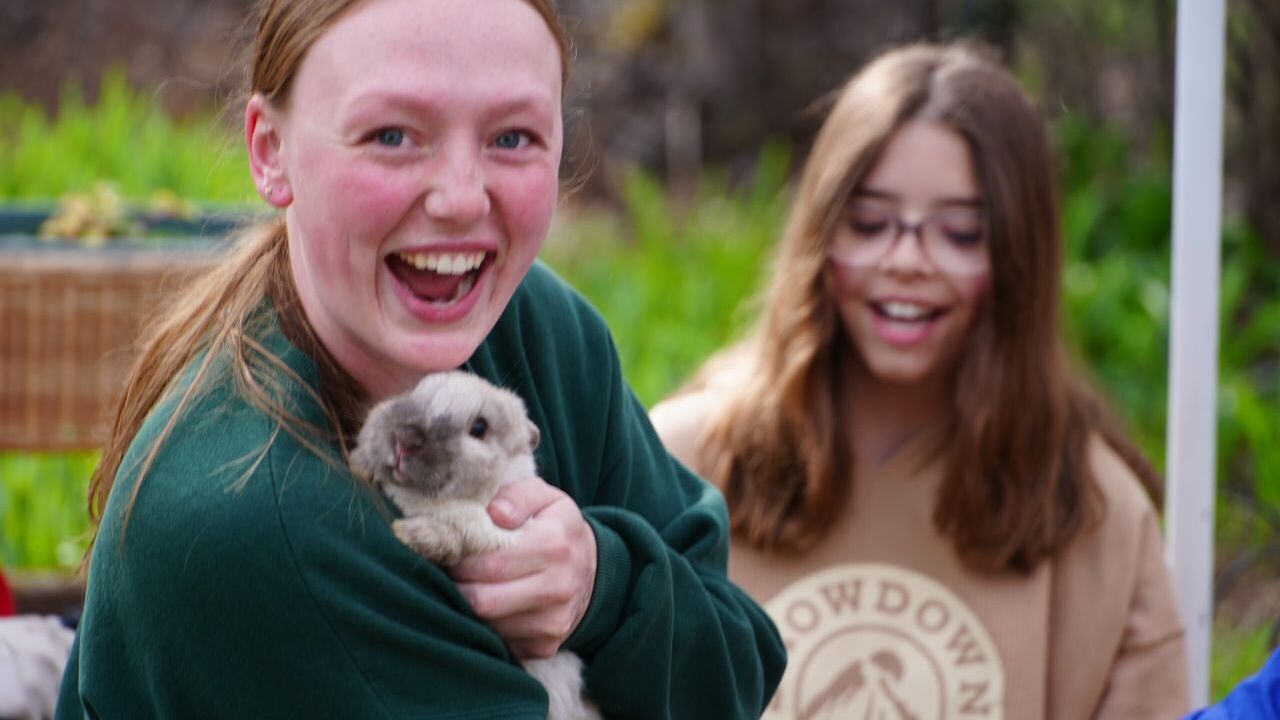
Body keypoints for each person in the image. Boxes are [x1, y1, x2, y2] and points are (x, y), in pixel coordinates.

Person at [54, 0, 785, 716]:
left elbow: (741, 664)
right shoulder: (254, 517)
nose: (462, 199)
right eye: (393, 135)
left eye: (513, 138)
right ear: (269, 151)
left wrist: (601, 584)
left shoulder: (535, 328)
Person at [650, 42, 1189, 718]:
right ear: (820, 237)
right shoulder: (680, 463)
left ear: (1018, 255)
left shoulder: (1096, 510)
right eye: (870, 222)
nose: (906, 259)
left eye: (960, 233)